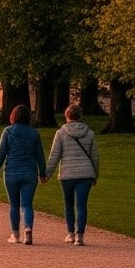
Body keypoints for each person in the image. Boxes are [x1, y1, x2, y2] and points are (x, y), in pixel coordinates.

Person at [0, 104, 47, 244]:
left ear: (13, 116)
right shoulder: (34, 133)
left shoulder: (8, 132)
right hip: (30, 172)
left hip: (12, 172)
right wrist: (43, 173)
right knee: (27, 204)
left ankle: (15, 235)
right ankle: (27, 230)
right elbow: (40, 155)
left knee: (14, 205)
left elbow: (1, 154)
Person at [47, 104, 100, 246]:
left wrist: (47, 174)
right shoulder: (89, 133)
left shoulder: (61, 133)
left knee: (69, 204)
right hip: (86, 174)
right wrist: (95, 174)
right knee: (82, 205)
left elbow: (54, 156)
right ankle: (80, 236)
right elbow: (94, 157)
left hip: (67, 174)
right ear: (80, 116)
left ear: (66, 116)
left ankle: (70, 233)